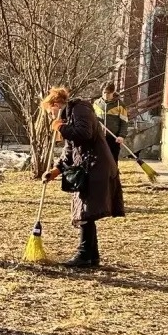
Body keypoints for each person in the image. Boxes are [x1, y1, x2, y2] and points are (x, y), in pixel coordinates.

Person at [42, 86, 125, 269]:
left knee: (85, 211)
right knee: (86, 211)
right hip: (89, 167)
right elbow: (70, 150)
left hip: (97, 167)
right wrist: (55, 171)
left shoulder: (80, 109)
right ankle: (91, 257)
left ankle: (84, 255)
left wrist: (60, 126)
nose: (51, 117)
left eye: (50, 112)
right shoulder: (70, 116)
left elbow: (83, 134)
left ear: (56, 104)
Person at [93, 82, 130, 162]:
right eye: (104, 92)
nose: (106, 95)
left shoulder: (120, 105)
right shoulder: (96, 103)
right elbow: (93, 120)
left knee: (112, 161)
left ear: (113, 92)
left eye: (108, 93)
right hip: (99, 137)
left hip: (114, 138)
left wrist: (121, 136)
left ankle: (114, 170)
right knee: (99, 161)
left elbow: (124, 122)